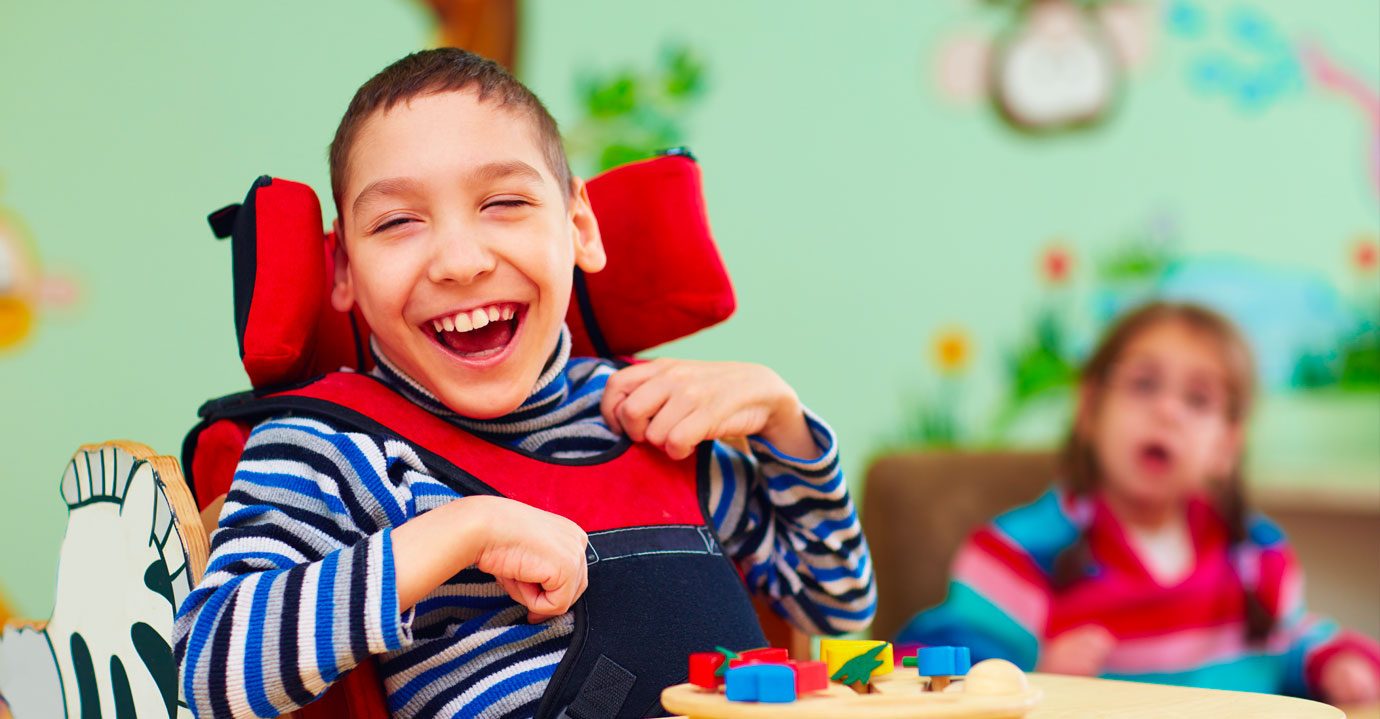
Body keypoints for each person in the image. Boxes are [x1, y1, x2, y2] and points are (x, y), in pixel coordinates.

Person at [174, 48, 874, 718]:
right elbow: (207, 668)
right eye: (397, 220)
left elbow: (836, 609)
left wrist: (785, 423)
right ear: (344, 273)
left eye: (503, 202)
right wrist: (462, 529)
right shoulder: (330, 445)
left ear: (578, 226)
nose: (459, 260)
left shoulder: (651, 417)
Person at [897, 301, 1380, 704]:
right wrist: (1034, 676)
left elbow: (1294, 644)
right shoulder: (1016, 554)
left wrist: (1338, 665)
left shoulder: (1258, 557)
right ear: (1089, 410)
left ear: (1226, 447)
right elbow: (923, 667)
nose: (1167, 411)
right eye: (1143, 384)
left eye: (1198, 399)